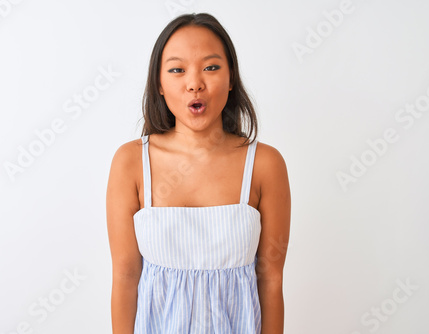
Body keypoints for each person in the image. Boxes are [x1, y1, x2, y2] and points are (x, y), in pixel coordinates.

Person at [106, 13, 291, 333]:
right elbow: (125, 278)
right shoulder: (131, 162)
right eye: (177, 70)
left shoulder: (264, 164)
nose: (195, 83)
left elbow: (271, 280)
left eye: (211, 67)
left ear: (231, 79)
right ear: (159, 84)